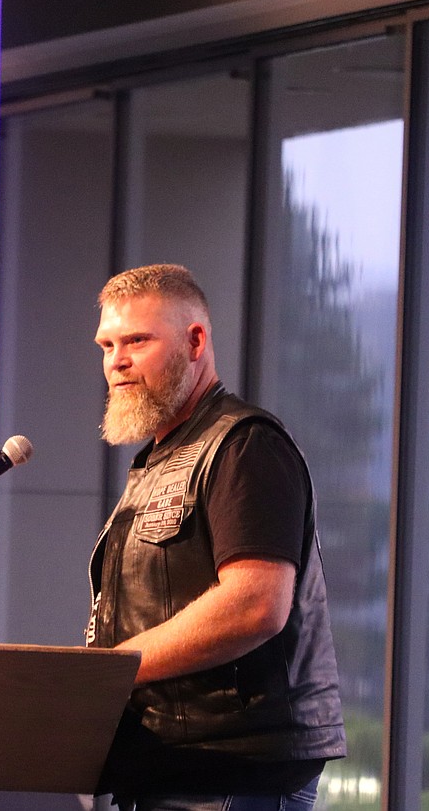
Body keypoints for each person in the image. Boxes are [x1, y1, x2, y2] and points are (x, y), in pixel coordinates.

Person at [86, 264, 346, 811]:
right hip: (169, 770)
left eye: (137, 340)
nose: (117, 362)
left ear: (195, 340)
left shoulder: (244, 445)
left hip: (234, 777)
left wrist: (112, 670)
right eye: (107, 345)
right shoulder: (160, 459)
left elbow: (255, 605)